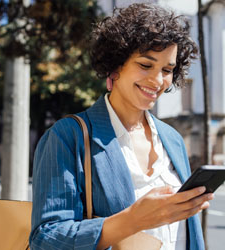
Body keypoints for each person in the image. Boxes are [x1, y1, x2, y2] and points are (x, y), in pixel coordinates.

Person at [30, 3, 214, 250]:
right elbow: (46, 238)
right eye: (146, 65)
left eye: (167, 70)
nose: (158, 80)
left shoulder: (172, 138)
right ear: (116, 64)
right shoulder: (66, 137)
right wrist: (133, 220)